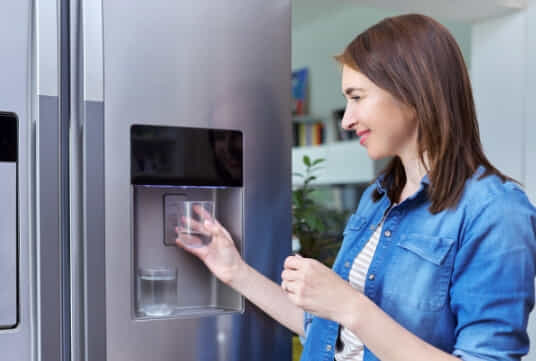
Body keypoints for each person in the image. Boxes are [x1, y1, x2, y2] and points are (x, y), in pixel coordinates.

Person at [176, 13, 536, 361]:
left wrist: (351, 306)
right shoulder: (378, 197)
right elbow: (323, 329)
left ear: (413, 92)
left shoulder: (497, 212)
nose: (347, 120)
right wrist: (234, 270)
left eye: (357, 97)